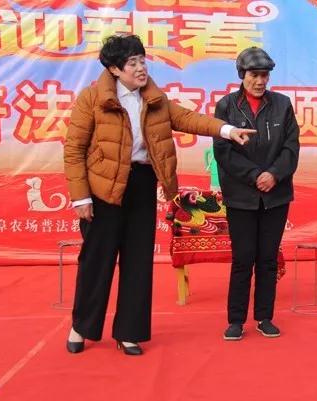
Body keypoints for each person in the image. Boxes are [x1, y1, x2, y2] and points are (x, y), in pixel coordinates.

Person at [63, 34, 254, 355]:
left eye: (142, 60)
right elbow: (74, 150)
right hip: (103, 190)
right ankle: (81, 327)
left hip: (140, 183)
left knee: (138, 261)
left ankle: (129, 332)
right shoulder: (92, 98)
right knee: (97, 261)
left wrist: (227, 130)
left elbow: (188, 118)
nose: (141, 68)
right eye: (132, 63)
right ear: (114, 69)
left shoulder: (154, 99)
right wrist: (81, 197)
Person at [213, 47, 300, 340]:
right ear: (242, 75)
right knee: (243, 259)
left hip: (276, 194)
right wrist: (254, 176)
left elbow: (291, 147)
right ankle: (236, 320)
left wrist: (273, 174)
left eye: (264, 75)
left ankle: (264, 317)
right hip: (241, 196)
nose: (260, 81)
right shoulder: (226, 106)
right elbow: (223, 152)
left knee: (267, 259)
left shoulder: (282, 105)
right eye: (254, 75)